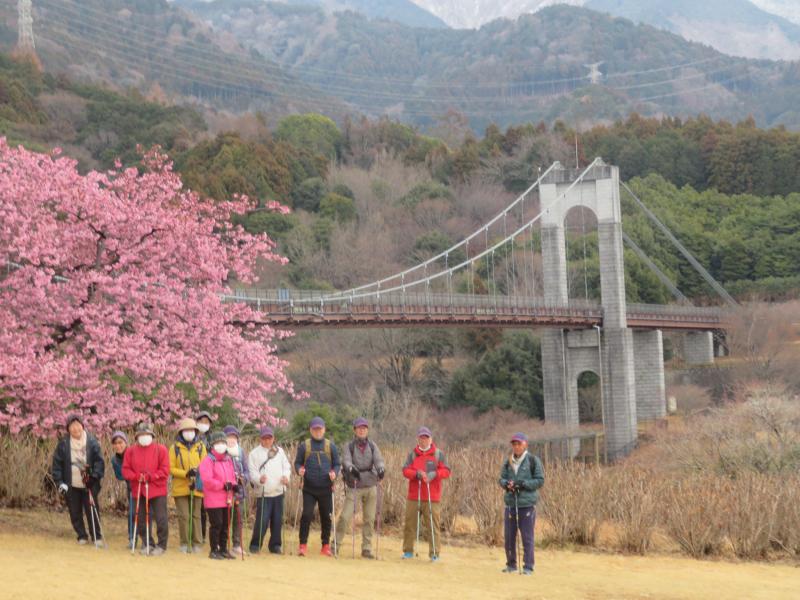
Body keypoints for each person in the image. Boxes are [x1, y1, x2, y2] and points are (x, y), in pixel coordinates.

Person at [334, 417, 385, 559]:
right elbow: (346, 460)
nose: (362, 430)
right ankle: (335, 545)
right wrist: (350, 468)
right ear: (354, 430)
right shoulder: (349, 446)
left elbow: (379, 460)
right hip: (354, 485)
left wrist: (381, 469)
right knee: (345, 517)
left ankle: (367, 548)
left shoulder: (373, 446)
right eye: (359, 428)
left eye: (364, 428)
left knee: (369, 519)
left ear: (367, 430)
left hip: (370, 484)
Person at [51, 414, 105, 545]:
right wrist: (60, 482)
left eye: (78, 425)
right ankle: (81, 535)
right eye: (72, 426)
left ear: (82, 426)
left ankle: (96, 536)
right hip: (71, 484)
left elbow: (99, 462)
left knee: (92, 509)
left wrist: (94, 477)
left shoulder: (92, 442)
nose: (75, 428)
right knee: (75, 511)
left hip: (89, 484)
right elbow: (57, 465)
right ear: (68, 429)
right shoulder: (63, 444)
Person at [401, 426, 451, 561]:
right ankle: (408, 551)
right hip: (414, 496)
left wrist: (435, 474)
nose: (424, 440)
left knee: (433, 526)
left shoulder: (438, 454)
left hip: (432, 497)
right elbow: (405, 471)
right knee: (410, 525)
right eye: (421, 438)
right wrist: (416, 474)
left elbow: (447, 471)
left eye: (426, 438)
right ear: (418, 439)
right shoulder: (412, 454)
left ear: (431, 439)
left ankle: (434, 553)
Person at [294, 416, 341, 557]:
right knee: (306, 515)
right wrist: (299, 470)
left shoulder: (330, 446)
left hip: (326, 487)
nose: (317, 431)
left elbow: (337, 464)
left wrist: (334, 472)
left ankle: (325, 546)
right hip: (309, 488)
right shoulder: (305, 446)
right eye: (315, 429)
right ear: (311, 430)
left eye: (320, 429)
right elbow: (297, 462)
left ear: (324, 429)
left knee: (326, 517)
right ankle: (302, 545)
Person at [499, 432, 544, 576]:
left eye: (519, 443)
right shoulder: (508, 461)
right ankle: (511, 564)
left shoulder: (533, 460)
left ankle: (528, 566)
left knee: (527, 537)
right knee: (509, 537)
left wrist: (523, 484)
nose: (516, 446)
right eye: (514, 444)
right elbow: (501, 478)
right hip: (511, 503)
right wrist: (507, 484)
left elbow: (539, 480)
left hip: (527, 504)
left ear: (525, 444)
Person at [122, 422, 170, 556]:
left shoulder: (161, 449)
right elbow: (125, 470)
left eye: (147, 434)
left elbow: (165, 470)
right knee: (141, 517)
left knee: (161, 517)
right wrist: (137, 476)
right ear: (137, 436)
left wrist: (152, 476)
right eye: (141, 434)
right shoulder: (130, 451)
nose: (144, 437)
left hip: (157, 489)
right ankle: (147, 542)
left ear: (152, 435)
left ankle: (162, 545)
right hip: (138, 489)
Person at [248, 426, 291, 554]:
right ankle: (255, 545)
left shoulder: (280, 452)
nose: (267, 441)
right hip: (263, 492)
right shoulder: (254, 454)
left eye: (269, 438)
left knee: (277, 520)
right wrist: (258, 479)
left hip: (278, 491)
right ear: (260, 439)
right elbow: (252, 471)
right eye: (264, 438)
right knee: (262, 520)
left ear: (274, 438)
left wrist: (286, 477)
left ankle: (275, 545)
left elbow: (287, 467)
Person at [199, 431, 238, 560]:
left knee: (226, 524)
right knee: (217, 524)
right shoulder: (208, 460)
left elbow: (232, 476)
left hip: (227, 498)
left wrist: (234, 485)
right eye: (217, 443)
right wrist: (223, 485)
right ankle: (214, 549)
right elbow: (207, 480)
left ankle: (224, 548)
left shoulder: (228, 460)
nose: (220, 445)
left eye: (222, 442)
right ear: (212, 445)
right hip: (213, 499)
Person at [169, 417, 207, 553]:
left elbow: (205, 465)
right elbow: (171, 468)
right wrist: (185, 473)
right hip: (180, 486)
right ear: (181, 432)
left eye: (191, 430)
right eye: (186, 430)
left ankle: (197, 542)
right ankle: (184, 542)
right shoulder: (174, 448)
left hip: (196, 486)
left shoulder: (201, 447)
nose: (189, 433)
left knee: (196, 515)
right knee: (184, 516)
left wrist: (196, 472)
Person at [223, 425, 250, 556]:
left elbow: (246, 470)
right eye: (229, 436)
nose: (231, 439)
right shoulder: (221, 453)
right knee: (225, 518)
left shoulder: (241, 452)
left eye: (234, 436)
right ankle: (223, 543)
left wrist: (243, 478)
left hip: (239, 491)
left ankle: (237, 544)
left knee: (238, 519)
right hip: (225, 491)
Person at [110, 431, 134, 546]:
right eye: (115, 443)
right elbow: (120, 476)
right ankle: (132, 538)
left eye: (120, 442)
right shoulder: (114, 460)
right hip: (131, 487)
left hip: (143, 485)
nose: (118, 445)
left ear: (126, 442)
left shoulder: (134, 452)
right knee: (132, 513)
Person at [196, 410, 214, 542]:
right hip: (195, 475)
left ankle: (207, 534)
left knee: (208, 506)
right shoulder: (192, 437)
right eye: (201, 421)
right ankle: (199, 534)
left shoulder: (212, 439)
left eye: (206, 422)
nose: (203, 424)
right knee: (198, 506)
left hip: (209, 474)